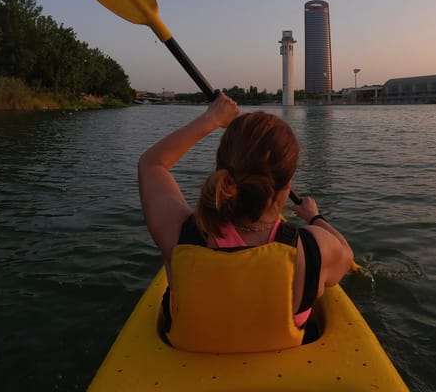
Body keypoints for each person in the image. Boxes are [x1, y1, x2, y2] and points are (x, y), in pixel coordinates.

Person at [138, 92, 355, 353]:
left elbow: (152, 165)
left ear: (221, 169)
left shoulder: (178, 234)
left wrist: (212, 118)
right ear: (286, 186)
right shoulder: (313, 248)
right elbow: (346, 255)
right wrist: (314, 217)